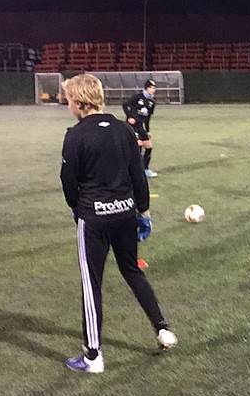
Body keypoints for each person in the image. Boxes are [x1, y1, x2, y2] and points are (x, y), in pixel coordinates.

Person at [61, 74, 177, 373]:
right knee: (132, 270)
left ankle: (93, 356)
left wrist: (76, 208)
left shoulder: (75, 135)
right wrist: (144, 211)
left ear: (79, 102)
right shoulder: (124, 130)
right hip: (126, 213)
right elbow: (137, 174)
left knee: (92, 284)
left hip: (94, 218)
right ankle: (163, 329)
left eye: (69, 99)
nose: (67, 104)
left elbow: (68, 182)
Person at [122, 79, 158, 178]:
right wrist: (130, 116)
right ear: (146, 88)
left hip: (140, 127)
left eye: (154, 88)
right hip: (132, 126)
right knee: (138, 146)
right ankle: (134, 170)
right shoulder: (137, 97)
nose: (153, 90)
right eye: (151, 88)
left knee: (149, 147)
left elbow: (148, 118)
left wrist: (148, 130)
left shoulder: (151, 102)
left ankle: (145, 169)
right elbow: (125, 105)